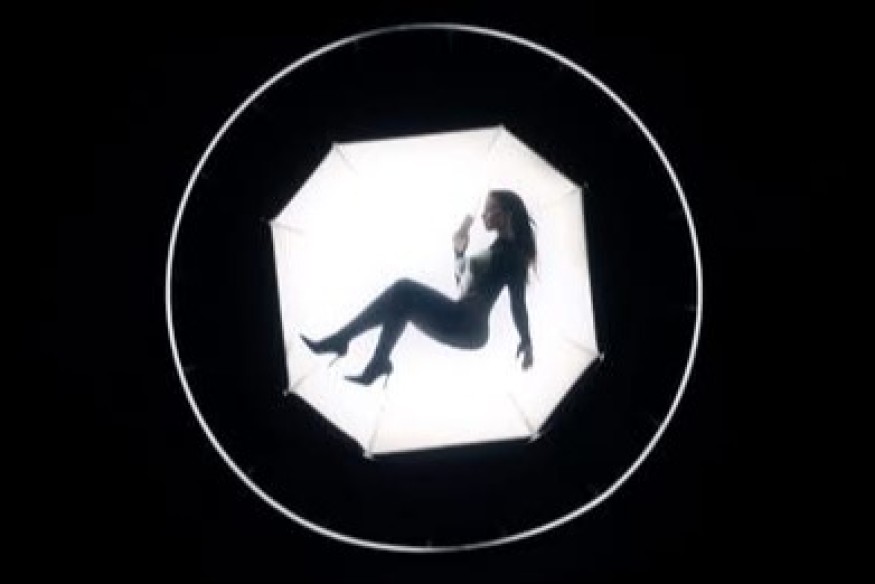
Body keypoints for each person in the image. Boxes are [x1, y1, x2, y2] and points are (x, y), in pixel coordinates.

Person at [302, 189, 536, 387]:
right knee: (401, 300)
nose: (483, 214)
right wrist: (459, 252)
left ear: (507, 214)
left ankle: (347, 344)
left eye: (490, 209)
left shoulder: (514, 255)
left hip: (469, 327)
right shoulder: (497, 247)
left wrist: (526, 341)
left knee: (403, 289)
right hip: (460, 319)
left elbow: (518, 303)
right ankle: (374, 361)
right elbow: (465, 290)